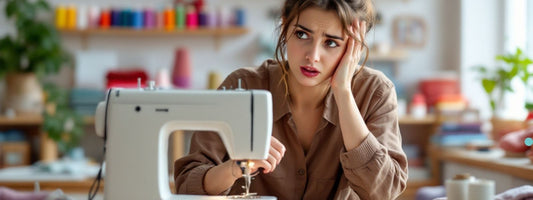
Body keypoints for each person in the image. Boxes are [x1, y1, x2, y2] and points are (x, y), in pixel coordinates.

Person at [174, 0, 408, 199]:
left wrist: (343, 93)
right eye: (302, 34)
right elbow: (187, 184)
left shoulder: (375, 92)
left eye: (331, 42)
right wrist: (237, 167)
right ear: (285, 25)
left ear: (353, 46)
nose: (312, 56)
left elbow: (385, 191)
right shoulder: (242, 87)